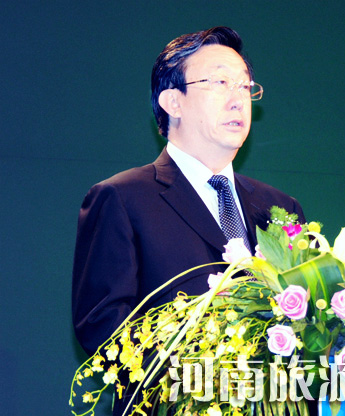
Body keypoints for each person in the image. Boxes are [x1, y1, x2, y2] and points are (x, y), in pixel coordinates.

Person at [72, 26, 306, 414]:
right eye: (220, 82)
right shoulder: (122, 198)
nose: (238, 99)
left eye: (245, 86)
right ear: (172, 101)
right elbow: (101, 325)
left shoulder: (280, 207)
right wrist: (203, 382)